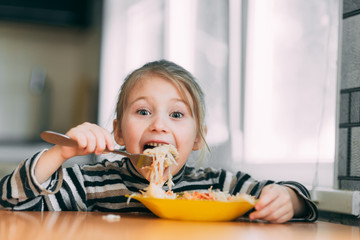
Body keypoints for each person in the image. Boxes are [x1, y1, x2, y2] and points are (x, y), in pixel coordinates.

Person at [0, 60, 317, 223]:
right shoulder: (91, 183)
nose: (159, 125)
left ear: (197, 139)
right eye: (143, 111)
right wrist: (61, 152)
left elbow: (299, 200)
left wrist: (289, 199)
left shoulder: (217, 187)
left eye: (177, 115)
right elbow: (12, 201)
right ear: (119, 132)